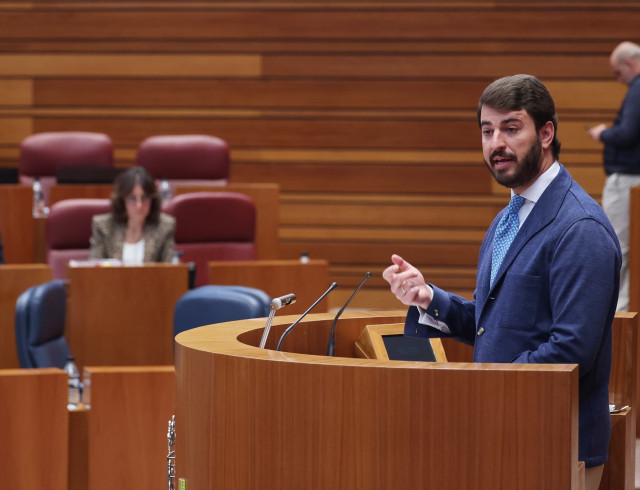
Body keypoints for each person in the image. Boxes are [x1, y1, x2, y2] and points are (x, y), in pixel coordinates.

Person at [383, 74, 620, 490]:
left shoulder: (579, 226)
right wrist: (428, 298)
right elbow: (498, 325)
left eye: (511, 128)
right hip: (503, 433)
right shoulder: (510, 216)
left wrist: (484, 388)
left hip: (555, 445)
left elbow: (572, 351)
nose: (496, 144)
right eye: (487, 131)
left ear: (546, 133)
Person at [587, 41, 640, 312]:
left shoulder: (637, 89)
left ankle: (617, 313)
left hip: (627, 181)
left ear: (629, 64)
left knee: (618, 248)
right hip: (632, 181)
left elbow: (628, 134)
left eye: (617, 74)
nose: (618, 81)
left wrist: (602, 134)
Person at [90, 166, 175, 264]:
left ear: (153, 199)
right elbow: (94, 270)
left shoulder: (164, 227)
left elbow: (169, 270)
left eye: (144, 198)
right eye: (132, 198)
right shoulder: (104, 227)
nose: (139, 205)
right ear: (122, 200)